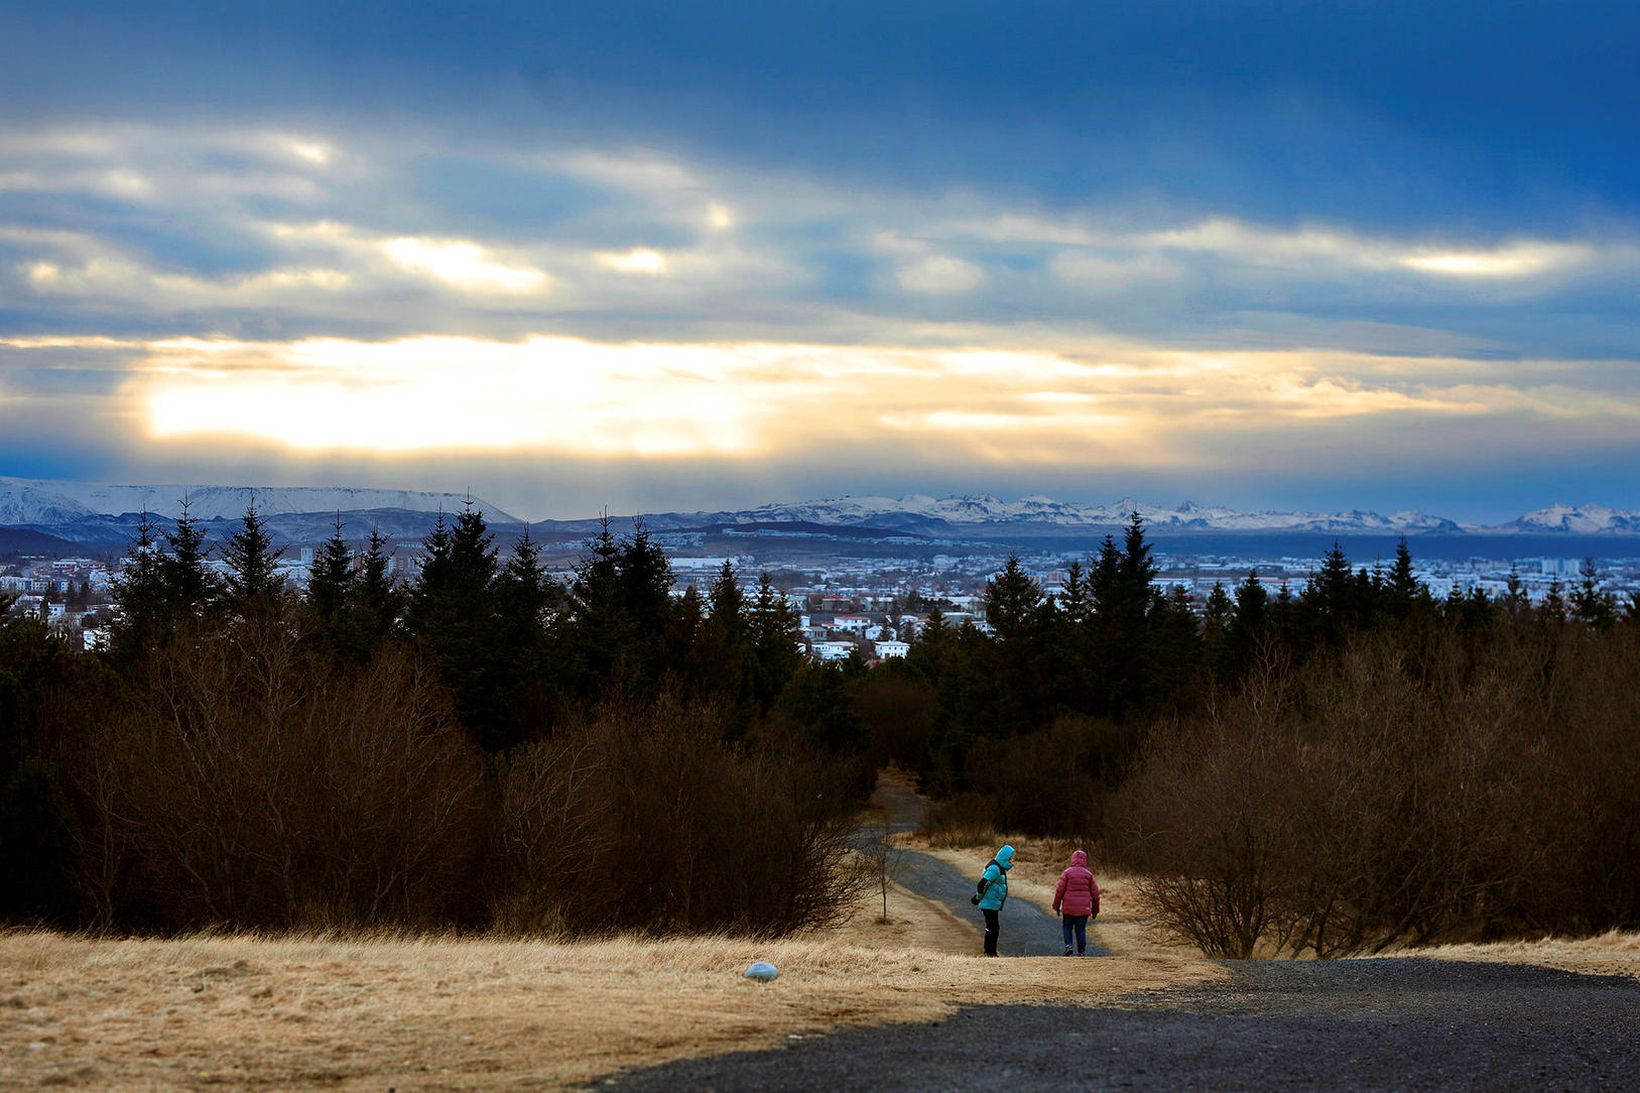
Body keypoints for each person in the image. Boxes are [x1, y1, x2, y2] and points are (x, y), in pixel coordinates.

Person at [1052, 849, 1101, 956]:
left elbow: (1059, 891)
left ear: (1072, 859)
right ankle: (1081, 951)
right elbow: (1095, 895)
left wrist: (1056, 906)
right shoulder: (1088, 875)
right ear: (1085, 860)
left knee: (1067, 926)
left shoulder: (1067, 873)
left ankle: (1068, 946)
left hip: (1068, 908)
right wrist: (1095, 911)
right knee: (1080, 929)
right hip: (1083, 909)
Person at [970, 844, 1015, 956]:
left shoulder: (999, 867)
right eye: (1009, 858)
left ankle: (991, 952)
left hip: (992, 903)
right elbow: (982, 884)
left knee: (993, 928)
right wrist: (977, 898)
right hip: (988, 904)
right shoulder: (995, 868)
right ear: (1004, 857)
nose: (1011, 861)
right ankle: (990, 952)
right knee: (992, 928)